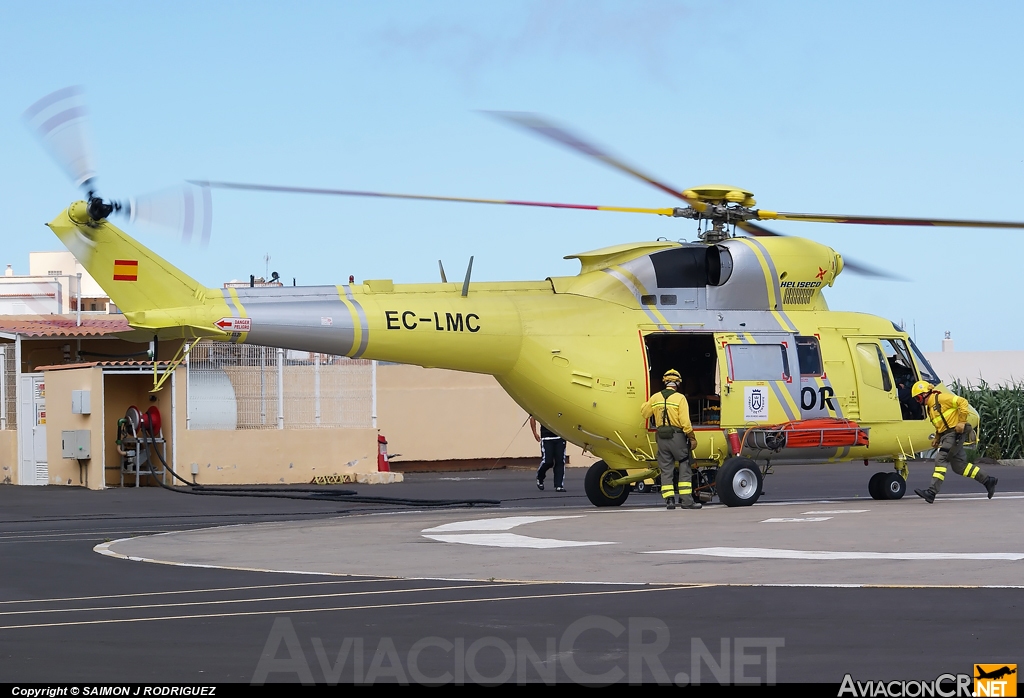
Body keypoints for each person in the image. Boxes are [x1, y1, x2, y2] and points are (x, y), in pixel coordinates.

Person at [911, 381, 997, 503]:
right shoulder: (930, 408)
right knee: (959, 467)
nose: (918, 401)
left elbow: (962, 401)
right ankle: (988, 480)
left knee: (941, 459)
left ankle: (931, 492)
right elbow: (940, 425)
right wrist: (937, 438)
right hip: (947, 435)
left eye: (918, 398)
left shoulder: (940, 398)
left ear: (925, 394)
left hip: (954, 434)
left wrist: (962, 422)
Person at [640, 369, 701, 510]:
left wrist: (647, 403)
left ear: (665, 382)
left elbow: (644, 413)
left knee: (666, 469)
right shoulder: (680, 398)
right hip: (677, 437)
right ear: (678, 383)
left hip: (661, 437)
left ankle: (669, 501)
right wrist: (692, 437)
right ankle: (686, 501)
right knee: (684, 465)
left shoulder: (655, 398)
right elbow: (685, 422)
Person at [530, 416, 566, 492]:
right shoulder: (542, 406)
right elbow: (532, 417)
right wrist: (535, 433)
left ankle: (559, 485)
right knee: (548, 461)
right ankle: (540, 477)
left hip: (560, 437)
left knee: (560, 461)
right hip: (547, 438)